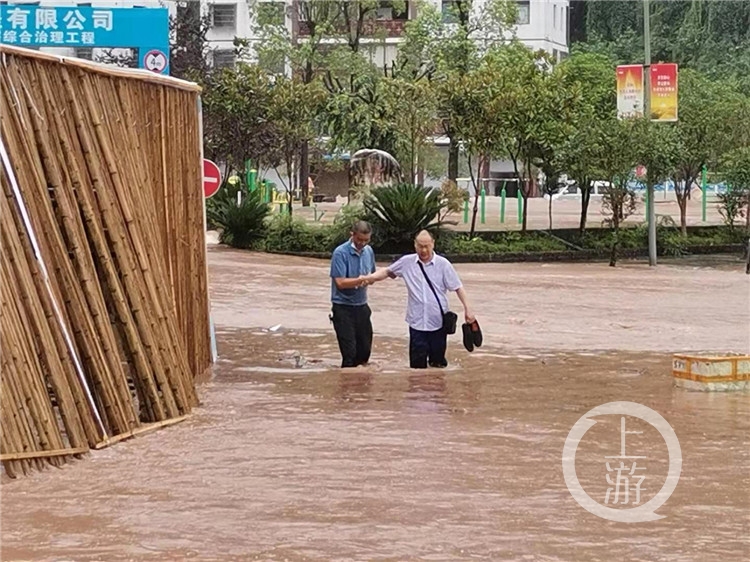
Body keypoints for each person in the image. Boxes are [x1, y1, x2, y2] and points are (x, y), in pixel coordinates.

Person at [366, 230, 476, 369]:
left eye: (427, 246)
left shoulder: (443, 264)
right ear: (415, 245)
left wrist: (468, 309)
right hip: (417, 323)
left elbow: (458, 288)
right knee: (417, 369)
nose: (424, 250)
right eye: (420, 246)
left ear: (433, 244)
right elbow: (388, 272)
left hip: (438, 323)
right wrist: (368, 278)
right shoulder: (407, 262)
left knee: (438, 367)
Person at [329, 221, 377, 368]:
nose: (362, 243)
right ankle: (347, 387)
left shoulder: (369, 251)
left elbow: (373, 275)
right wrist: (360, 280)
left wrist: (370, 279)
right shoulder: (340, 253)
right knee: (349, 353)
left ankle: (360, 387)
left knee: (364, 352)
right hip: (343, 307)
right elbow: (340, 283)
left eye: (366, 240)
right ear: (352, 235)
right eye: (359, 240)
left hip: (362, 306)